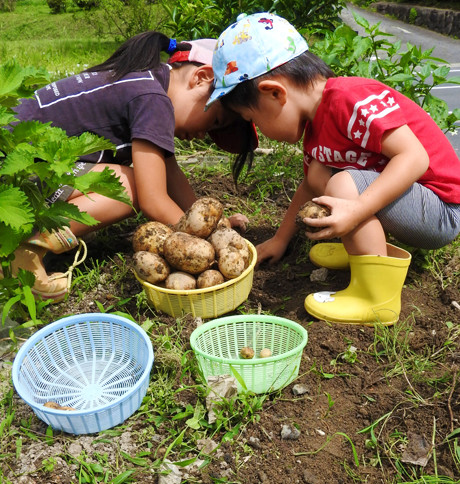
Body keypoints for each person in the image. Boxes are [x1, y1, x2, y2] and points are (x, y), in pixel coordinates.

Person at [206, 12, 460, 325]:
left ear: (274, 93)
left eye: (253, 118)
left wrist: (357, 210)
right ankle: (364, 252)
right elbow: (310, 186)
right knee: (320, 176)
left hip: (441, 207)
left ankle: (376, 299)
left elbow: (414, 158)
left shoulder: (347, 99)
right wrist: (281, 239)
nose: (257, 129)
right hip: (413, 202)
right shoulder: (315, 131)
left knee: (342, 186)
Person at [10, 34, 258, 302]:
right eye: (216, 122)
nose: (204, 135)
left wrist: (214, 227)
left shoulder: (146, 81)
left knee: (136, 180)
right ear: (201, 78)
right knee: (129, 187)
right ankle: (27, 248)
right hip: (16, 171)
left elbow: (170, 173)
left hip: (23, 167)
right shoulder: (153, 99)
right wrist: (198, 246)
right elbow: (153, 198)